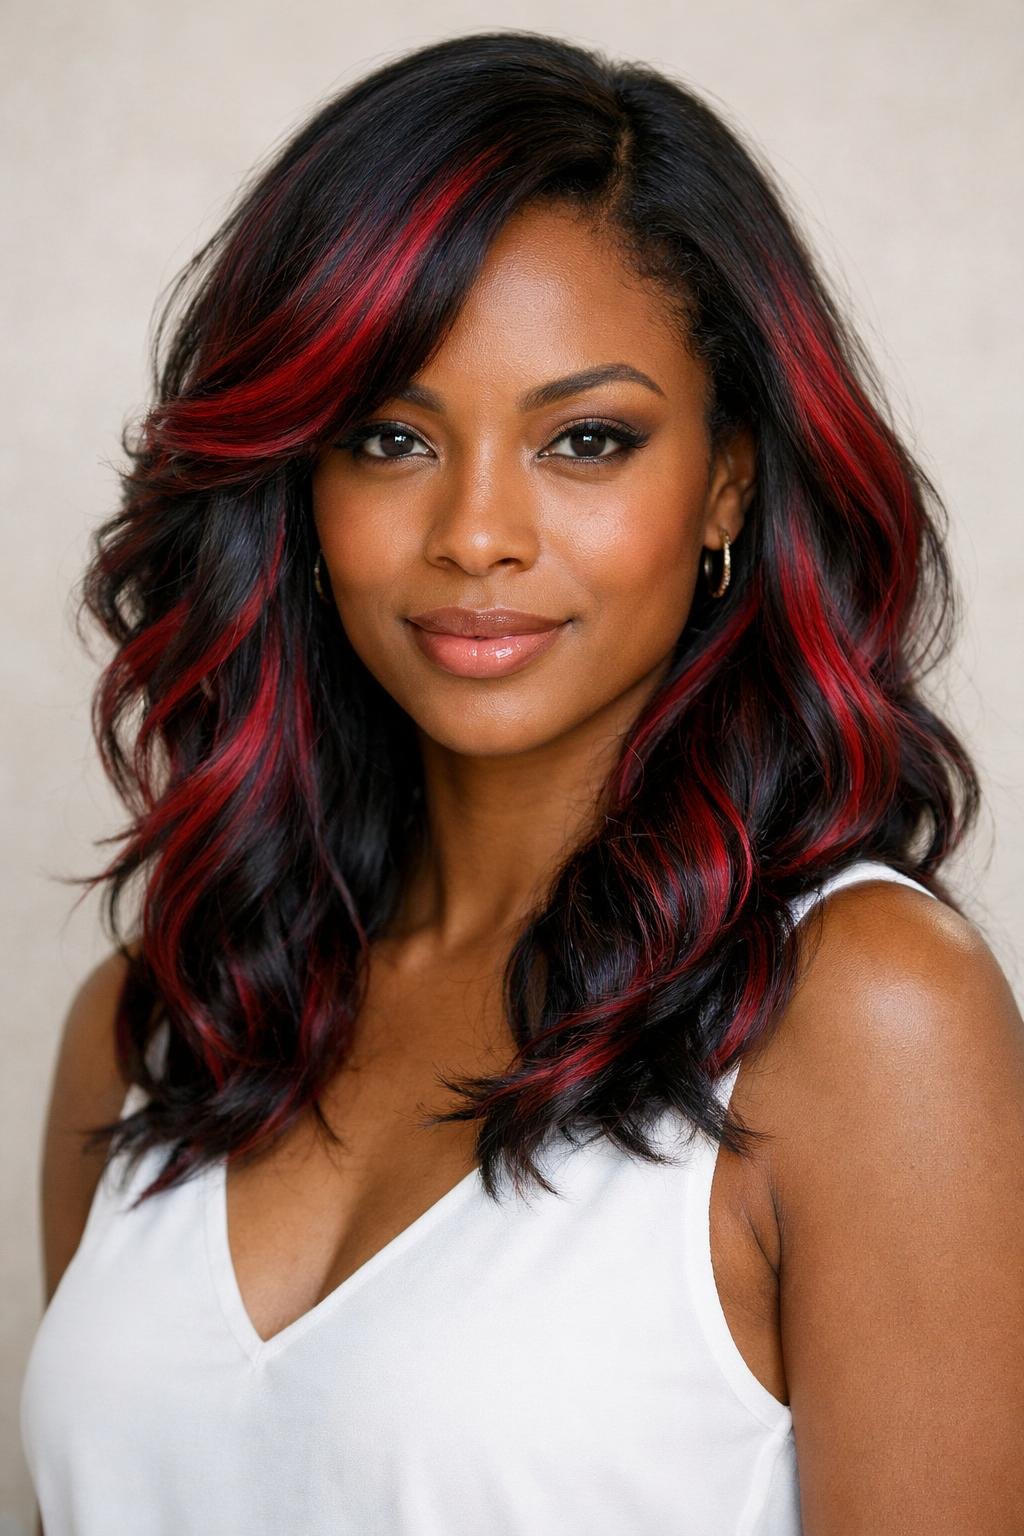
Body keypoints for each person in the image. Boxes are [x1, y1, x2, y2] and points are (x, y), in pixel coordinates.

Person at [20, 28, 1024, 1536]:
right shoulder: (164, 1015)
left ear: (728, 480)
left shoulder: (864, 1016)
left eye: (585, 439)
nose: (477, 533)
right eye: (392, 436)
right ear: (299, 486)